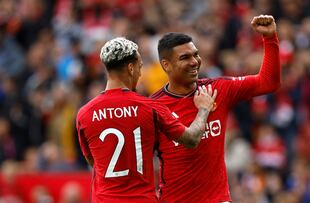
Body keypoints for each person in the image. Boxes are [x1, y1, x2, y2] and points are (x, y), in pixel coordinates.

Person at [151, 14, 280, 202]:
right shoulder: (153, 107)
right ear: (166, 65)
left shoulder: (218, 88)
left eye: (196, 54)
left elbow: (269, 82)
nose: (194, 61)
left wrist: (270, 38)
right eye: (185, 57)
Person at [75, 37, 217, 202]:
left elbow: (93, 161)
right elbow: (192, 139)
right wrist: (204, 109)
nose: (140, 73)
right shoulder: (150, 107)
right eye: (140, 67)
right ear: (130, 68)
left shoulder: (84, 114)